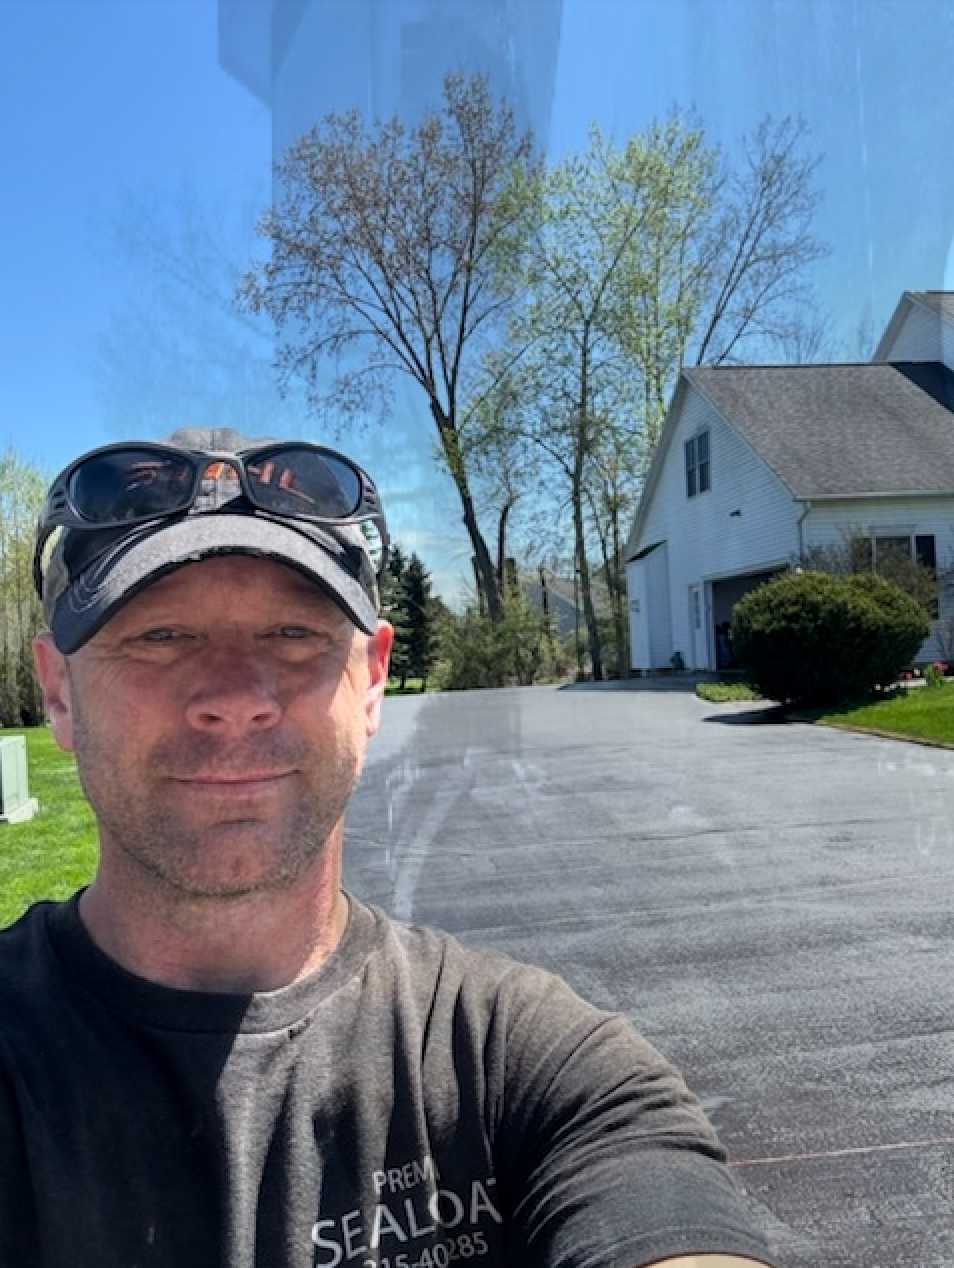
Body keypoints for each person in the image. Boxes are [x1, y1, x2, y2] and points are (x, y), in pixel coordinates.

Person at [2, 426, 778, 1268]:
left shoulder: (517, 1062)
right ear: (60, 692)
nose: (233, 698)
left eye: (292, 635)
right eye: (160, 637)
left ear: (371, 680)